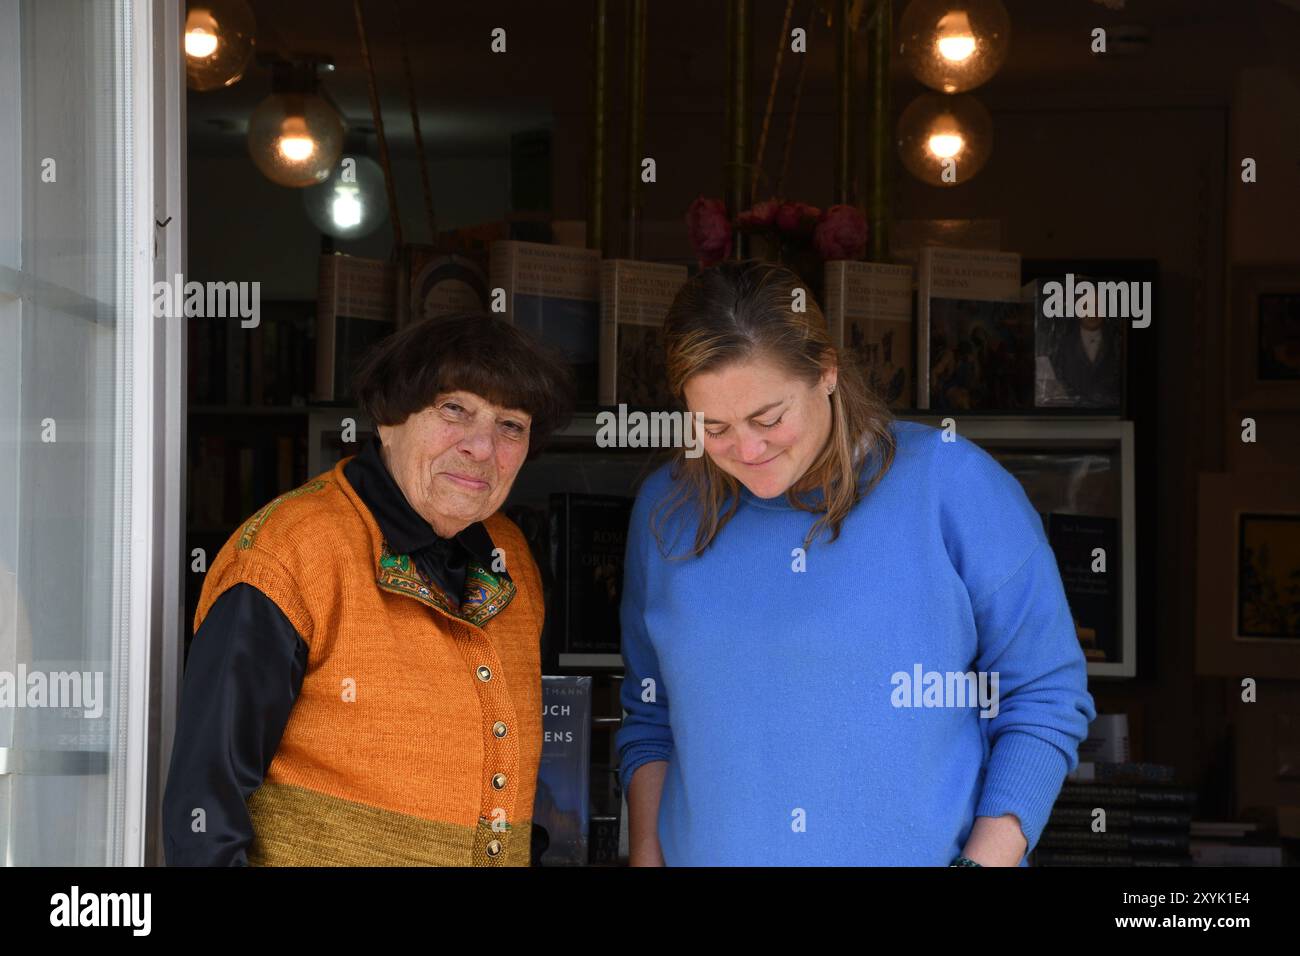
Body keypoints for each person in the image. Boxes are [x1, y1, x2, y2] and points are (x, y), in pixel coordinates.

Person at [615, 260, 1096, 866]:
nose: (746, 448)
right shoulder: (667, 510)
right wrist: (646, 855)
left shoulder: (950, 484)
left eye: (769, 418)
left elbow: (1043, 692)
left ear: (826, 371)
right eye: (713, 426)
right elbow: (650, 712)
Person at [163, 313, 573, 865]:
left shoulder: (511, 558)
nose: (482, 446)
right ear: (388, 416)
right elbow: (204, 813)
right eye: (455, 409)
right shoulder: (287, 554)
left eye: (511, 426)